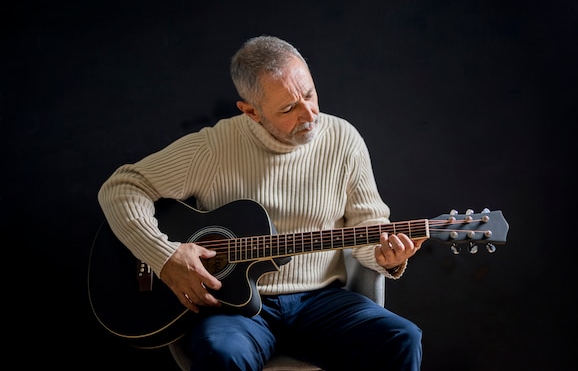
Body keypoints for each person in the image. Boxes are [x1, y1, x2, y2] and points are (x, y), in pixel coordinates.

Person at [98, 35, 425, 371]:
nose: (309, 113)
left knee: (401, 337)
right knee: (222, 354)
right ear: (251, 112)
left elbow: (366, 227)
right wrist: (164, 255)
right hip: (235, 310)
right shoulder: (214, 147)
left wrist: (386, 255)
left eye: (309, 94)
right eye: (288, 108)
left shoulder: (343, 140)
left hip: (322, 302)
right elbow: (122, 187)